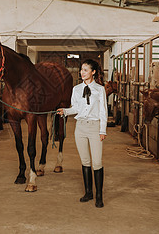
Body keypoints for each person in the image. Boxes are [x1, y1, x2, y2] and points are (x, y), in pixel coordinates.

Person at [57, 59, 107, 208]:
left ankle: (99, 196)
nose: (82, 72)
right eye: (81, 70)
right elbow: (76, 108)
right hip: (80, 128)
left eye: (85, 70)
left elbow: (104, 111)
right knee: (85, 161)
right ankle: (88, 192)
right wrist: (65, 111)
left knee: (97, 162)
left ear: (93, 72)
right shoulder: (76, 89)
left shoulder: (100, 89)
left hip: (95, 127)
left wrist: (102, 130)